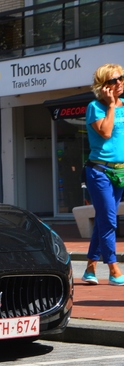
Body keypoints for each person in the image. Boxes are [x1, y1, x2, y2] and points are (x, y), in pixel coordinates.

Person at [82, 63, 124, 286]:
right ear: (103, 86)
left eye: (121, 78)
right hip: (99, 171)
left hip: (121, 172)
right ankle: (114, 269)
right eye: (113, 80)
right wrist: (110, 106)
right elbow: (106, 133)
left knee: (103, 220)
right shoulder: (95, 107)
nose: (119, 83)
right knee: (109, 219)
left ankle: (90, 268)